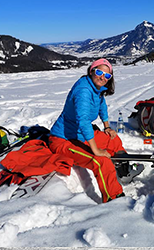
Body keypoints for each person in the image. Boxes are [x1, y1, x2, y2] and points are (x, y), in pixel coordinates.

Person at [49, 58, 126, 203]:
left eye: (107, 75)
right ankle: (115, 200)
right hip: (63, 140)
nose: (102, 77)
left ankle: (123, 168)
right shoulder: (83, 90)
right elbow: (83, 121)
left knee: (113, 139)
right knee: (100, 161)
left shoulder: (96, 89)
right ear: (91, 71)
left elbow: (102, 106)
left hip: (79, 135)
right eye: (99, 72)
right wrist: (96, 150)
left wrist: (107, 127)